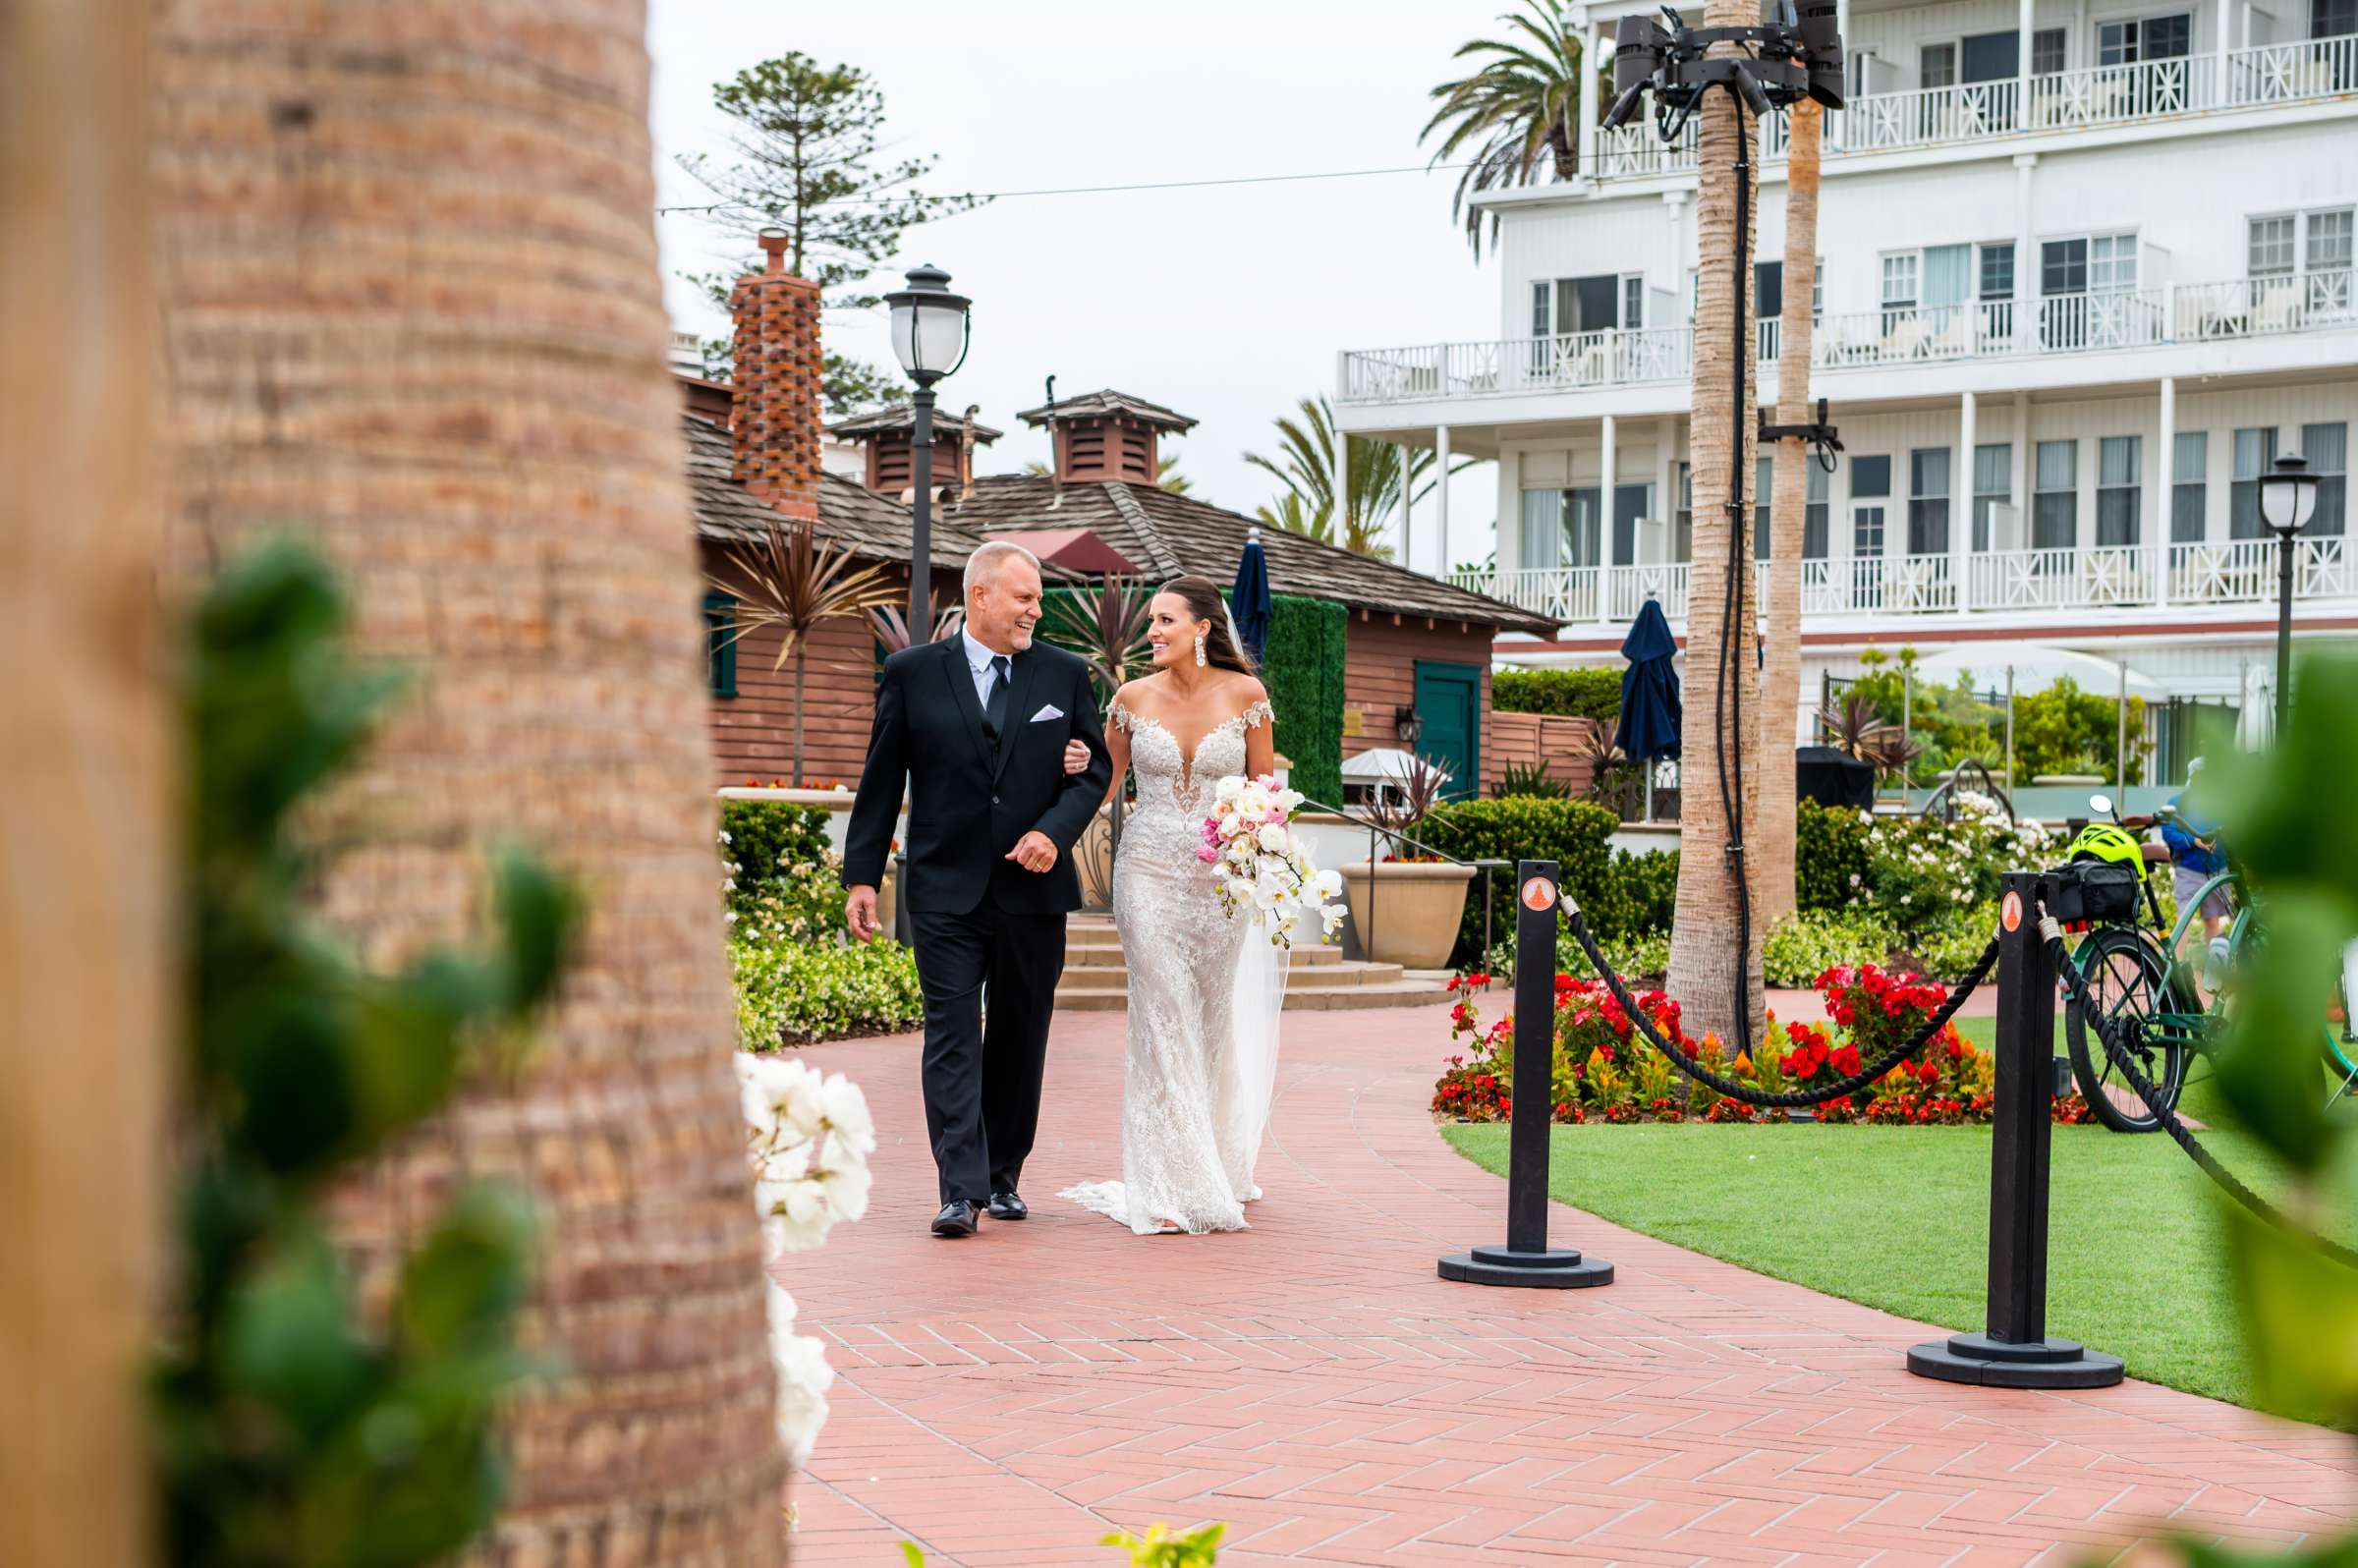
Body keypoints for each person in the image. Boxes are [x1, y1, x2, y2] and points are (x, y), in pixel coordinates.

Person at [842, 541, 1111, 1239]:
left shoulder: (1064, 673)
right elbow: (880, 782)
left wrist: (1055, 830)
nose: (1036, 610)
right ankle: (959, 1190)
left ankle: (1003, 1175)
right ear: (982, 595)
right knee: (953, 1034)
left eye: (1039, 599)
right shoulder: (910, 674)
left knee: (1021, 1037)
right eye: (1025, 597)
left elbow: (1093, 770)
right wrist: (863, 876)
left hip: (1033, 890)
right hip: (943, 889)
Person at [1062, 576, 1284, 1236]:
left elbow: (1265, 789)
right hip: (1148, 874)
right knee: (1162, 1015)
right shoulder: (1129, 698)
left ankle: (1214, 1156)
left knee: (1209, 1020)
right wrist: (1072, 764)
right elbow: (1105, 788)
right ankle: (1168, 1181)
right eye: (1151, 623)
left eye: (1163, 621)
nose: (1152, 632)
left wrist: (1258, 844)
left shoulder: (1247, 696)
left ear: (1202, 628)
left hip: (1219, 882)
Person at [2159, 756, 2231, 995]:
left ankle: (2215, 979)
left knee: (2213, 921)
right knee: (2184, 920)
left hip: (2217, 871)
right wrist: (2193, 841)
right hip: (2188, 870)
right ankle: (2173, 974)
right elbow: (2169, 833)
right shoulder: (2178, 802)